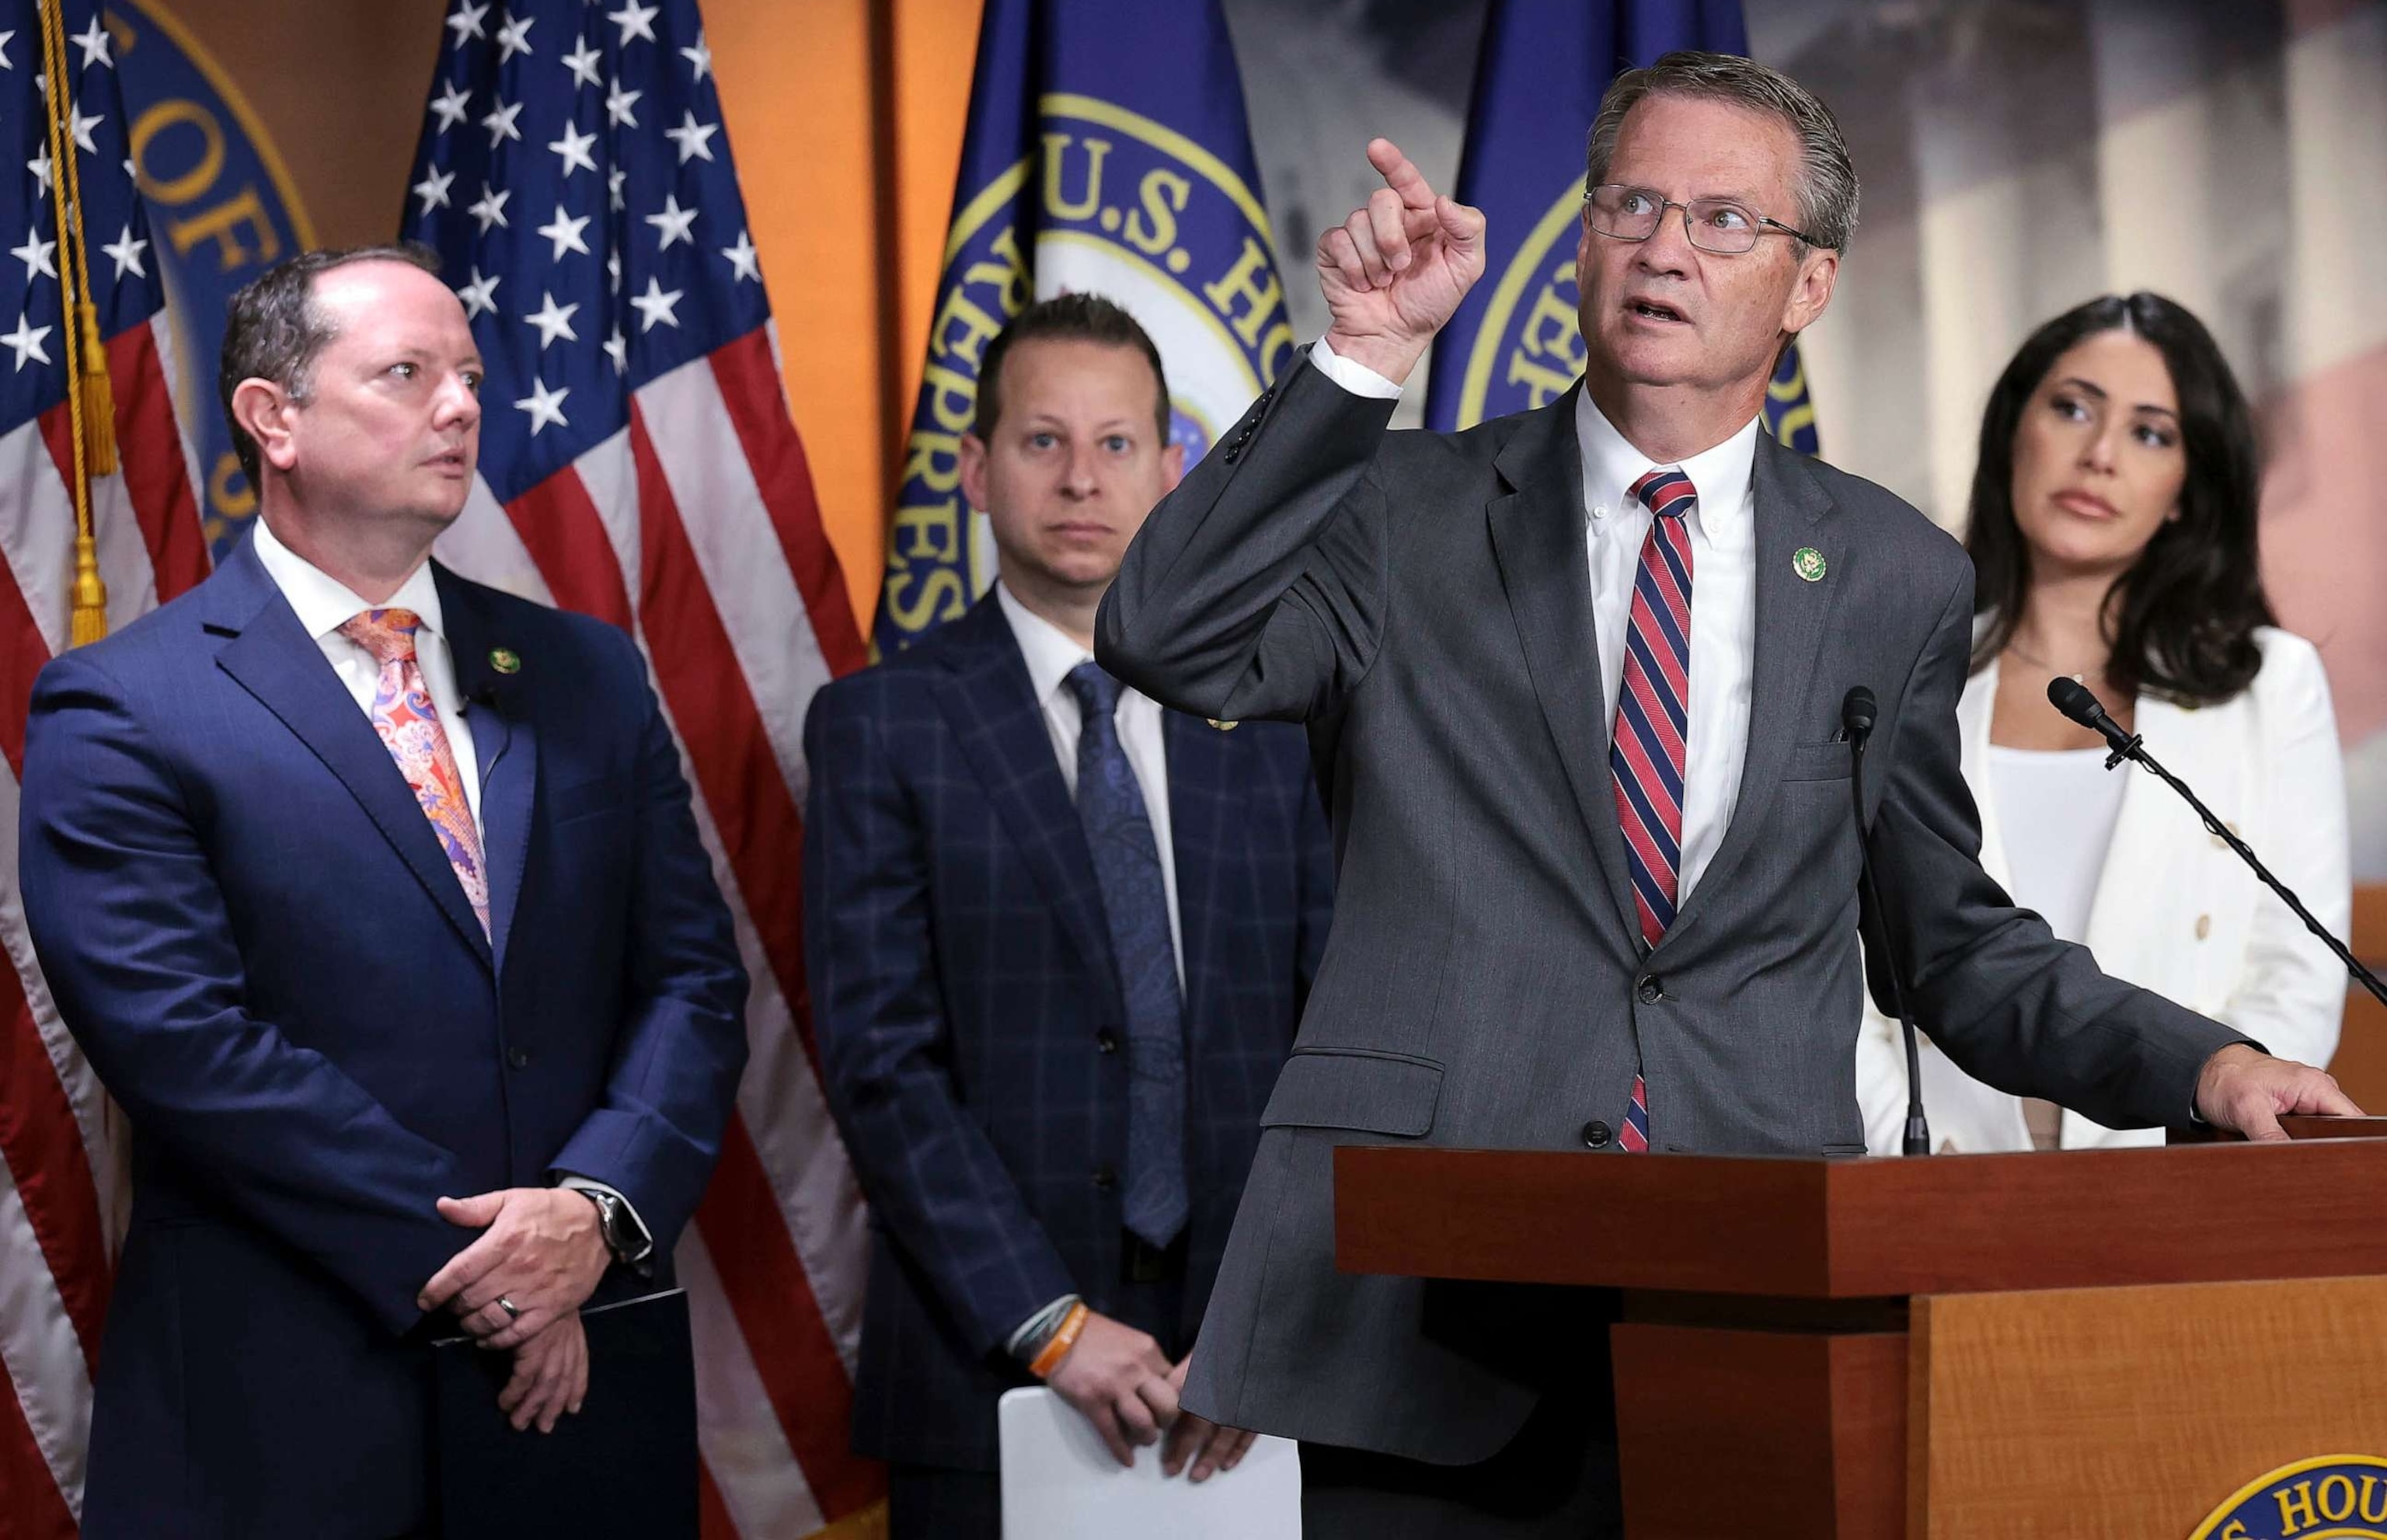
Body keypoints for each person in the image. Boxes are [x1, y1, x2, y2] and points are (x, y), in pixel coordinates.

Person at [1093, 50, 2356, 1539]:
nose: (1664, 248)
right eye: (1630, 204)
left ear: (1808, 284)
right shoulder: (1401, 511)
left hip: (1758, 1289)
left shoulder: (1893, 575)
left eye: (1720, 220)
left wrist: (2206, 1070)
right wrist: (1359, 358)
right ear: (1580, 242)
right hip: (1422, 1288)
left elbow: (1947, 941)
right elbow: (1164, 635)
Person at [16, 245, 749, 1538]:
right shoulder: (125, 706)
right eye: (409, 373)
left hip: (575, 1408)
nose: (462, 404)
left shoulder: (585, 674)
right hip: (281, 1419)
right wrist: (493, 1270)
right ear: (273, 418)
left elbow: (689, 978)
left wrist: (593, 1212)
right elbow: (189, 1049)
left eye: (468, 374)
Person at [803, 294, 1335, 1539]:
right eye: (1043, 442)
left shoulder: (1273, 721)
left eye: (1115, 444)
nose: (1082, 479)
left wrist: (1262, 1316)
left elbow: (1333, 1048)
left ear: (1171, 469)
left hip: (1245, 1371)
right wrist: (1049, 1322)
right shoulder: (883, 725)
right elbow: (883, 1069)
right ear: (979, 471)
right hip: (988, 1364)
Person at [1857, 294, 2349, 1155]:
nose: (2099, 455)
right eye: (2073, 407)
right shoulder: (1891, 665)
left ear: (2185, 493)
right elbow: (1839, 970)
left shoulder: (2271, 686)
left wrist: (2183, 1154)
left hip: (2175, 1190)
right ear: (2015, 430)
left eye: (2150, 432)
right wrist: (1909, 1159)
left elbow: (2294, 981)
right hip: (1929, 1182)